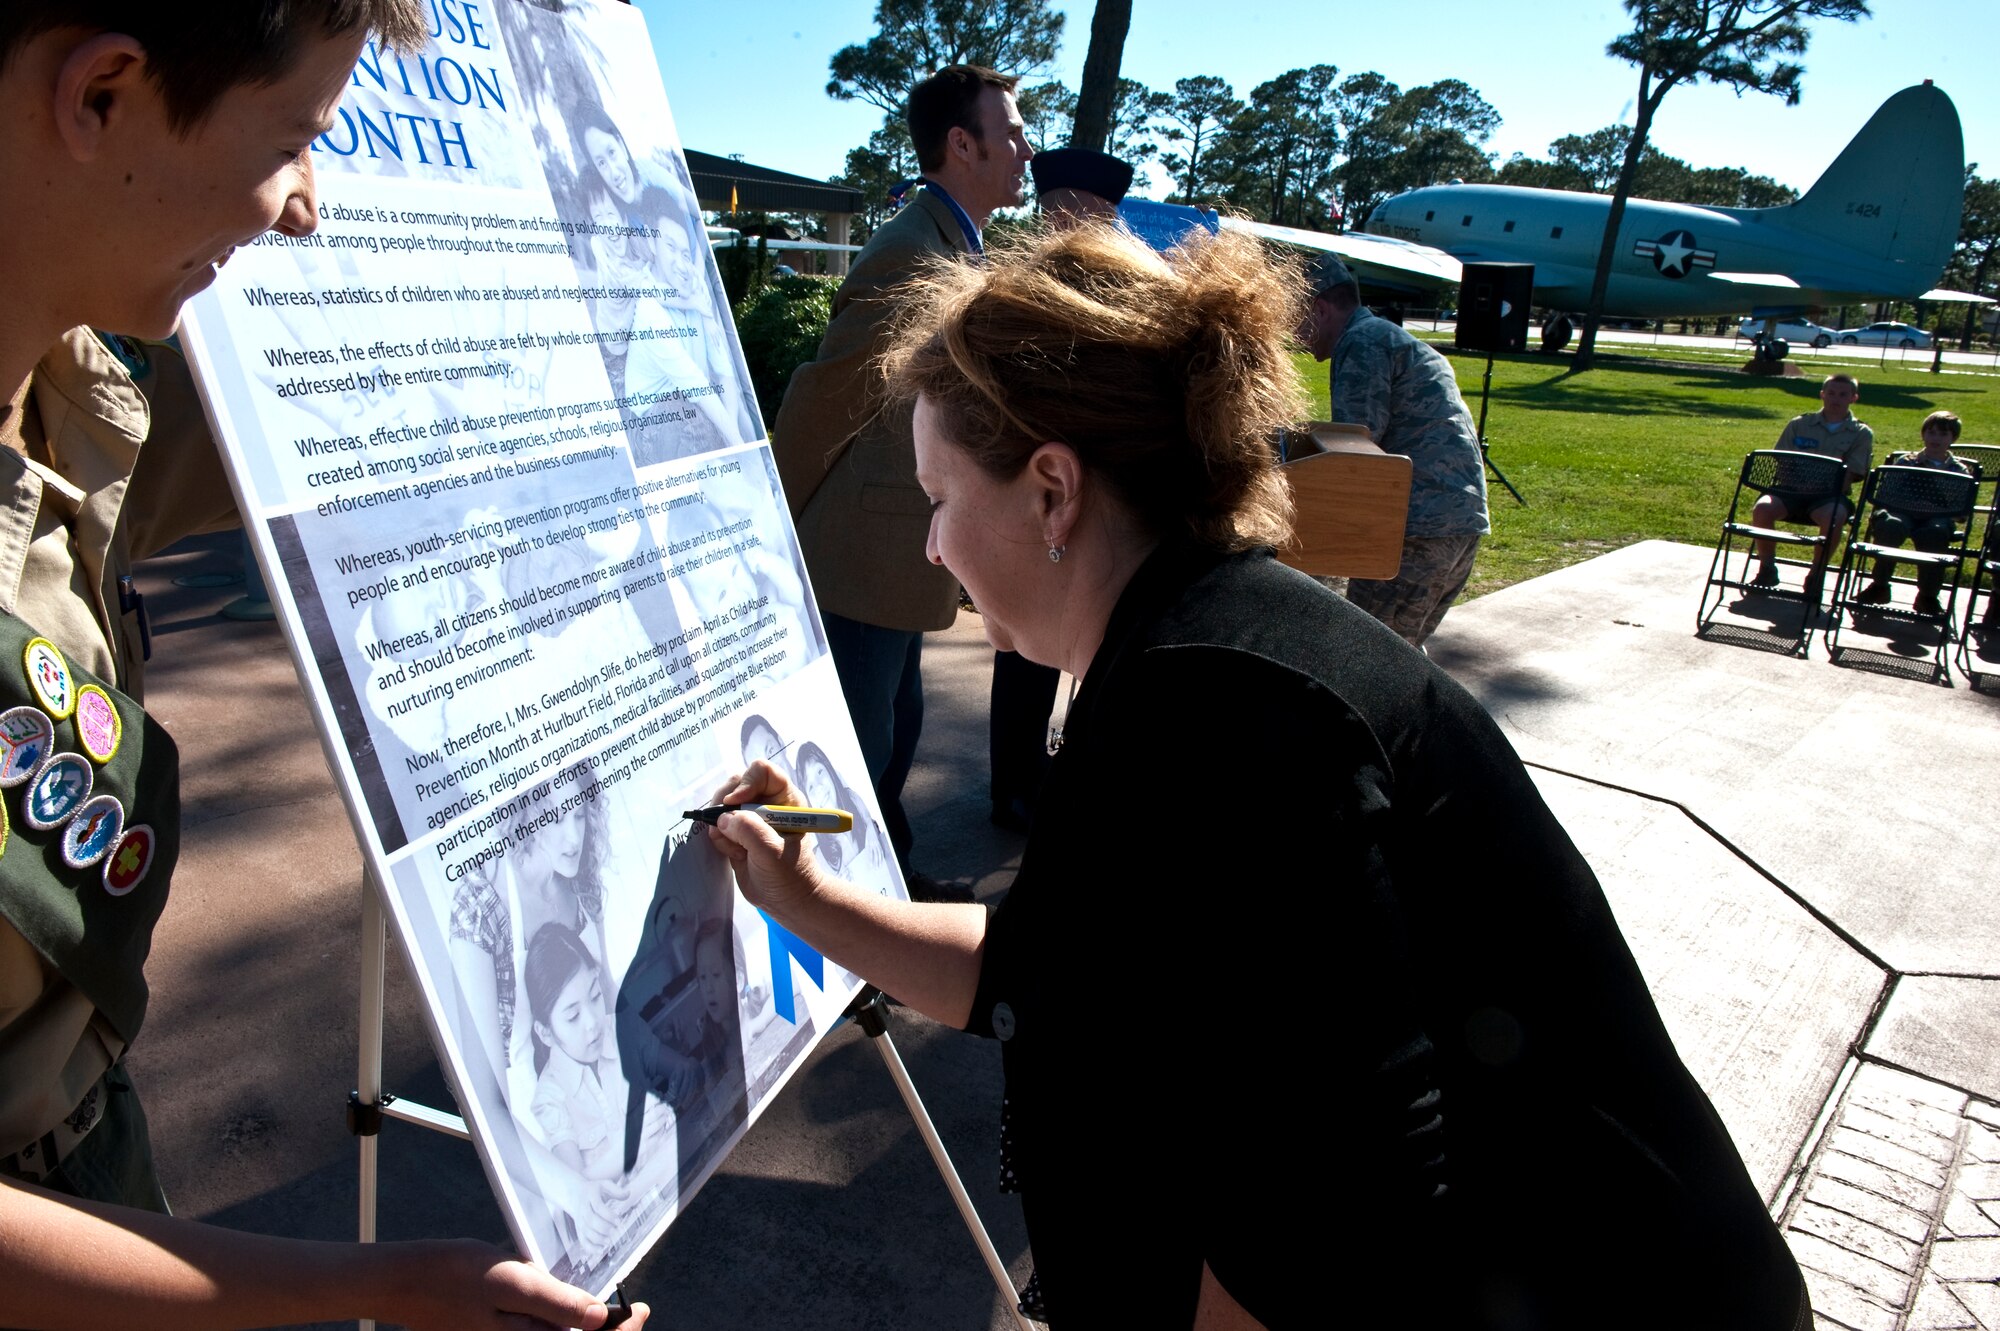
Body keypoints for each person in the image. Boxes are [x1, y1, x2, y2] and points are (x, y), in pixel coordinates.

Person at [704, 225, 1808, 1329]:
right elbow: (1035, 968)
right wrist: (803, 900)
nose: (934, 545)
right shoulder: (1185, 642)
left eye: (939, 496)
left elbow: (1325, 1224)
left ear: (1050, 490)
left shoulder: (1222, 710)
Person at [0, 5, 645, 1326]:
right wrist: (384, 1281)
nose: (305, 207)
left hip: (89, 1148)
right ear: (103, 92)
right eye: (295, 136)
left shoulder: (66, 381)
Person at [771, 65, 1031, 897]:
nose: (1025, 148)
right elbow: (828, 397)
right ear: (963, 144)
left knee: (894, 725)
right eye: (1012, 130)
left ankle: (883, 885)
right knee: (858, 743)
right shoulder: (914, 256)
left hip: (897, 552)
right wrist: (769, 520)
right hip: (863, 555)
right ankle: (844, 911)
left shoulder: (951, 241)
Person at [986, 147, 1139, 833]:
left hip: (1102, 489)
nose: (1088, 225)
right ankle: (1014, 783)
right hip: (1031, 487)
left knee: (1089, 641)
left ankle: (1054, 771)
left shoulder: (1126, 282)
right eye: (1080, 214)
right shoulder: (1016, 284)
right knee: (1020, 642)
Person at [1297, 252, 1490, 647]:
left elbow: (1354, 449)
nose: (1295, 334)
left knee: (1367, 658)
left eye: (1294, 318)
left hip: (1416, 532)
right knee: (1401, 657)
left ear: (1319, 308)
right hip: (1457, 525)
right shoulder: (1388, 337)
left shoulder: (1360, 342)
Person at [1750, 372, 1874, 598]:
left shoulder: (1861, 433)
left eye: (1843, 394)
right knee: (1762, 509)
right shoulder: (1800, 424)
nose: (1836, 399)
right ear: (1822, 395)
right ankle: (1767, 568)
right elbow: (1783, 459)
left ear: (1854, 398)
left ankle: (1816, 574)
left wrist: (1823, 489)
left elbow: (1854, 472)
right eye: (1831, 393)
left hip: (1828, 496)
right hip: (1790, 490)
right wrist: (1794, 484)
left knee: (1834, 518)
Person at [1851, 409, 1971, 615]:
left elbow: (1961, 511)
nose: (1936, 439)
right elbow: (1886, 495)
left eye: (1943, 434)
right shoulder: (1906, 462)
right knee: (1890, 525)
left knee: (1935, 534)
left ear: (1953, 438)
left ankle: (1928, 595)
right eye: (1931, 433)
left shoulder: (1958, 470)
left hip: (1936, 518)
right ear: (1923, 434)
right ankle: (1879, 585)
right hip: (1902, 512)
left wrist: (1941, 509)